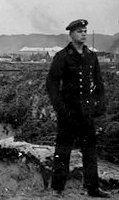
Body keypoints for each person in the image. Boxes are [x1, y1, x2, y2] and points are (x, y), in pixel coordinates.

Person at [46, 19, 110, 198]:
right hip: (68, 113)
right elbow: (51, 83)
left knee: (90, 151)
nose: (84, 34)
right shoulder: (63, 56)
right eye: (80, 31)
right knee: (63, 151)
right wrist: (60, 108)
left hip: (86, 113)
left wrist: (99, 105)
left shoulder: (91, 56)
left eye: (85, 31)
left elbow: (99, 83)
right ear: (71, 34)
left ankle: (93, 189)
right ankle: (57, 188)